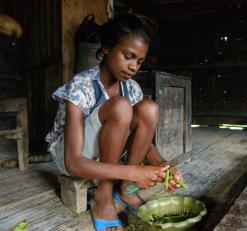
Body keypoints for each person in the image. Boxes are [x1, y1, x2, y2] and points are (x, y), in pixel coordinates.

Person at [46, 13, 183, 231]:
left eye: (139, 61)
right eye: (128, 56)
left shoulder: (132, 88)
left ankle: (125, 189)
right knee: (120, 106)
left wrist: (162, 165)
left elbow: (142, 138)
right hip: (73, 157)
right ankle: (103, 196)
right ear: (107, 49)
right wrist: (134, 171)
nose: (133, 67)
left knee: (149, 108)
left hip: (108, 152)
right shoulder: (82, 86)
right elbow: (73, 162)